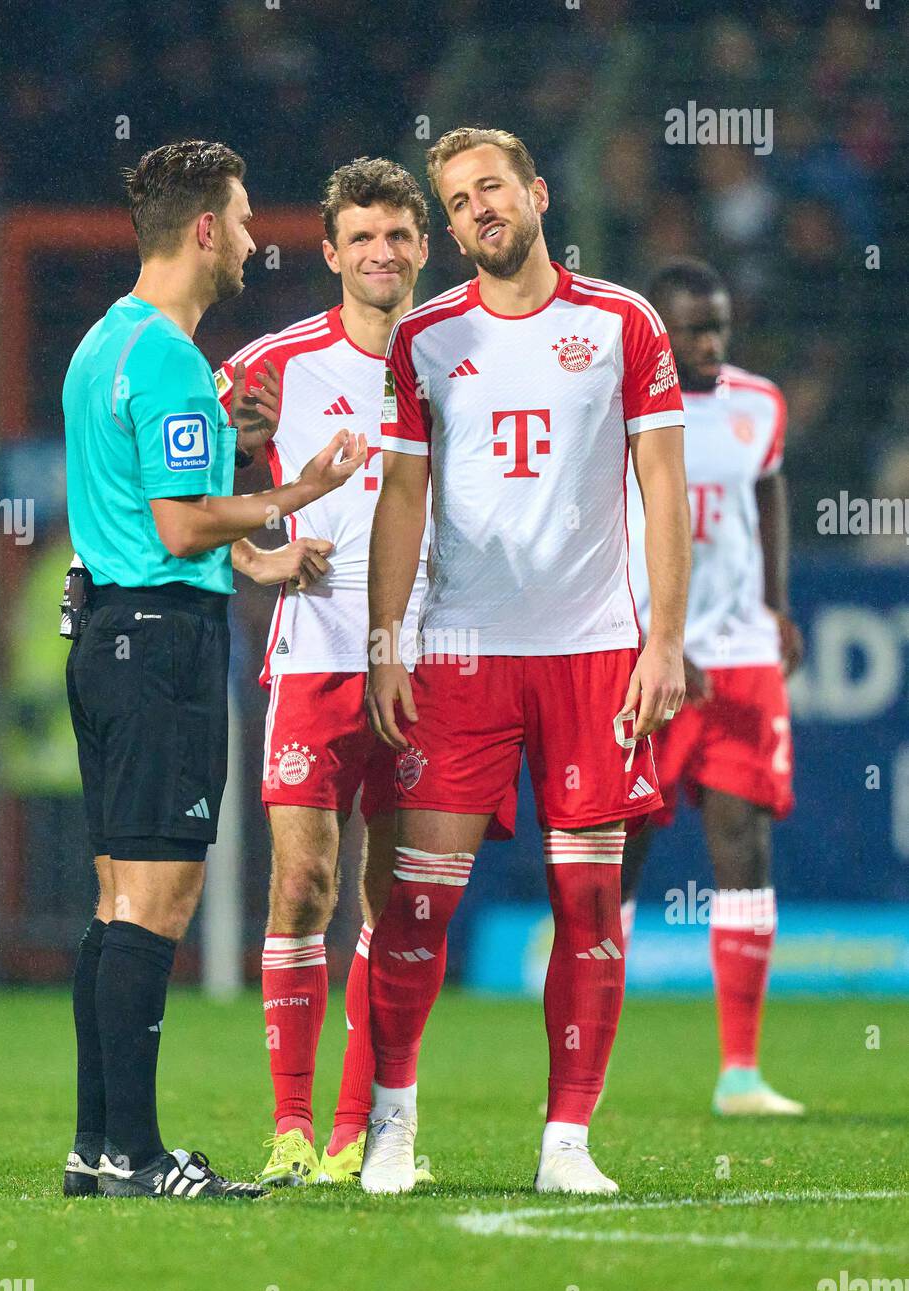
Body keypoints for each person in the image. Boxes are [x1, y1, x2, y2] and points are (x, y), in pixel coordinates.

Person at [362, 127, 690, 1195]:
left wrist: (665, 640)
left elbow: (662, 490)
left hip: (594, 653)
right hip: (460, 654)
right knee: (416, 901)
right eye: (455, 202)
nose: (475, 211)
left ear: (538, 192)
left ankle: (566, 1144)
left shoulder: (622, 323)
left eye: (489, 188)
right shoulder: (426, 338)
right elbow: (400, 497)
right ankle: (392, 1121)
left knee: (589, 905)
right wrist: (386, 639)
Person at [62, 140, 365, 1200]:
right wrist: (297, 489)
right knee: (157, 902)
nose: (249, 239)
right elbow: (182, 525)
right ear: (202, 230)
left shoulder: (105, 342)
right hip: (161, 649)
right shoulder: (175, 361)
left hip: (106, 636)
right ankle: (138, 1154)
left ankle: (97, 1146)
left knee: (113, 902)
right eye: (237, 221)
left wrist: (256, 532)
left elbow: (157, 506)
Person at [216, 157, 433, 1185]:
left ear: (421, 247)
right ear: (332, 250)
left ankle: (363, 1132)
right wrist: (259, 558)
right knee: (301, 884)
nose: (381, 254)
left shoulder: (461, 360)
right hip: (314, 662)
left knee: (393, 904)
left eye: (398, 235)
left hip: (435, 665)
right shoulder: (271, 366)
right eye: (363, 237)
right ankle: (292, 1128)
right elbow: (176, 483)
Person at [622, 257, 805, 1117]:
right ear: (656, 326)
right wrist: (655, 635)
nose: (709, 342)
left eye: (719, 325)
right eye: (693, 326)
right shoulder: (616, 406)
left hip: (738, 657)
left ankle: (740, 1071)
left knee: (744, 847)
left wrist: (776, 607)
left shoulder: (756, 404)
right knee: (617, 856)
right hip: (642, 662)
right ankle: (591, 1054)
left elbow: (768, 494)